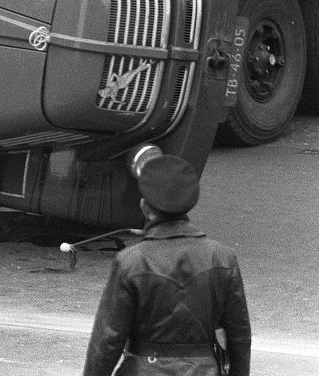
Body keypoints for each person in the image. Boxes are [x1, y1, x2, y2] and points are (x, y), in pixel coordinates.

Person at [83, 154, 250, 376]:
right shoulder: (222, 258)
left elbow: (107, 342)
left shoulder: (130, 262)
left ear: (145, 207)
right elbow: (239, 336)